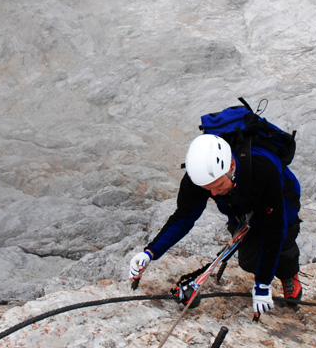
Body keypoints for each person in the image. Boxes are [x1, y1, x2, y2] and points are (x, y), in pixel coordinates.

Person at [129, 133, 302, 316]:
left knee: (282, 236)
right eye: (208, 189)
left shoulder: (262, 170)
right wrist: (150, 252)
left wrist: (263, 284)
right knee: (250, 260)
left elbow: (274, 230)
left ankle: (289, 274)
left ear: (231, 166)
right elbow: (183, 218)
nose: (214, 193)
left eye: (218, 185)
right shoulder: (198, 178)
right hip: (239, 204)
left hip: (280, 197)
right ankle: (268, 266)